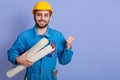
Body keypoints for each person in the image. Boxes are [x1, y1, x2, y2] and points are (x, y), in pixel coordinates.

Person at [7, 1, 74, 80]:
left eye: (46, 15)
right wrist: (17, 59)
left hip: (50, 77)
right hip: (31, 77)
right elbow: (11, 52)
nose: (42, 18)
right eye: (39, 15)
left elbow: (64, 61)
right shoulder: (25, 36)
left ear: (50, 17)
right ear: (34, 16)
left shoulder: (58, 36)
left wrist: (68, 47)